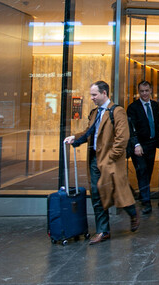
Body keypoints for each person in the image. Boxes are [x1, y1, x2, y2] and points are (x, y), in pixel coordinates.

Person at [64, 81, 139, 245]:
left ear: (104, 93)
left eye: (94, 95)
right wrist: (75, 138)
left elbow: (123, 137)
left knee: (117, 192)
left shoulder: (117, 111)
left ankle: (133, 212)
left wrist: (112, 156)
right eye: (91, 95)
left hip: (109, 160)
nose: (91, 98)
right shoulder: (94, 113)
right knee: (97, 195)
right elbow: (89, 133)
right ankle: (103, 231)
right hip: (94, 159)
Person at [127, 80, 159, 214]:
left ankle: (143, 194)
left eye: (147, 91)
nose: (144, 94)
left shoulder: (155, 105)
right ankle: (146, 202)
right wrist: (136, 144)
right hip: (139, 145)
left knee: (148, 171)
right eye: (142, 91)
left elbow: (158, 120)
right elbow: (131, 128)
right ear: (138, 92)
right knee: (142, 171)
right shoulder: (133, 108)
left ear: (151, 91)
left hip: (151, 144)